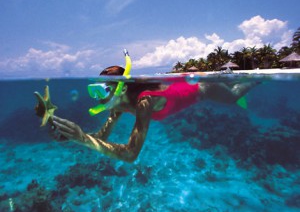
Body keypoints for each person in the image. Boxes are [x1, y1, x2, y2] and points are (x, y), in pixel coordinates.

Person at [51, 65, 258, 163]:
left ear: (121, 88)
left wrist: (84, 139)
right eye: (94, 90)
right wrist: (73, 137)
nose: (99, 99)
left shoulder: (144, 101)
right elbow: (102, 136)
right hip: (191, 90)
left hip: (204, 88)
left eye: (103, 91)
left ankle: (255, 79)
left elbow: (131, 154)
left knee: (233, 96)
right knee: (233, 95)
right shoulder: (118, 105)